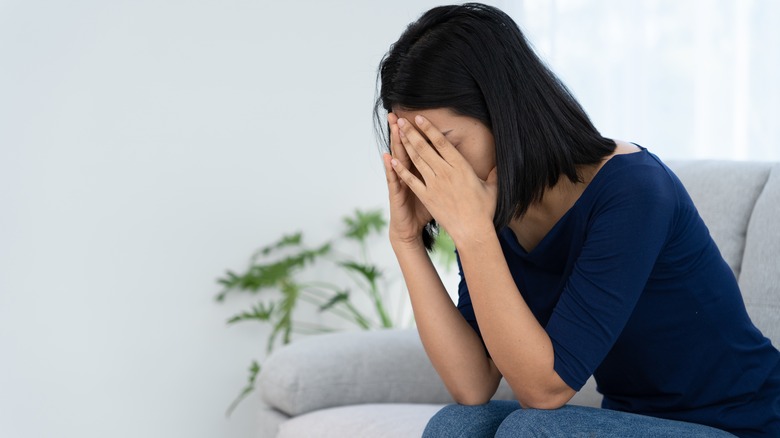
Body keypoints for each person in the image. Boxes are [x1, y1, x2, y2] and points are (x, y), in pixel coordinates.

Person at [373, 3, 780, 437]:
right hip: (631, 423)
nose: (433, 169)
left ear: (506, 114)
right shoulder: (495, 209)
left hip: (741, 425)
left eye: (443, 143)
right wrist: (407, 239)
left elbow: (543, 392)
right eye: (416, 148)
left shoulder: (635, 190)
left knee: (531, 432)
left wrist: (473, 235)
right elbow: (473, 385)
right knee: (458, 424)